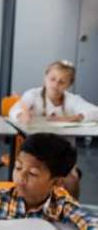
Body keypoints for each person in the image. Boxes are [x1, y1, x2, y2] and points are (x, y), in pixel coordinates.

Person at [0, 133, 98, 230]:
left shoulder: (62, 205)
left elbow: (91, 223)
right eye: (18, 167)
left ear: (56, 182)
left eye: (33, 174)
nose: (20, 178)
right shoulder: (3, 199)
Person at [9, 60, 98, 199]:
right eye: (52, 79)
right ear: (45, 77)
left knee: (72, 178)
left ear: (69, 84)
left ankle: (69, 210)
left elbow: (95, 111)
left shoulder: (72, 100)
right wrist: (21, 115)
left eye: (62, 82)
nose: (55, 85)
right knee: (34, 177)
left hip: (62, 153)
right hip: (35, 153)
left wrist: (74, 117)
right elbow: (14, 110)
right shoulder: (33, 95)